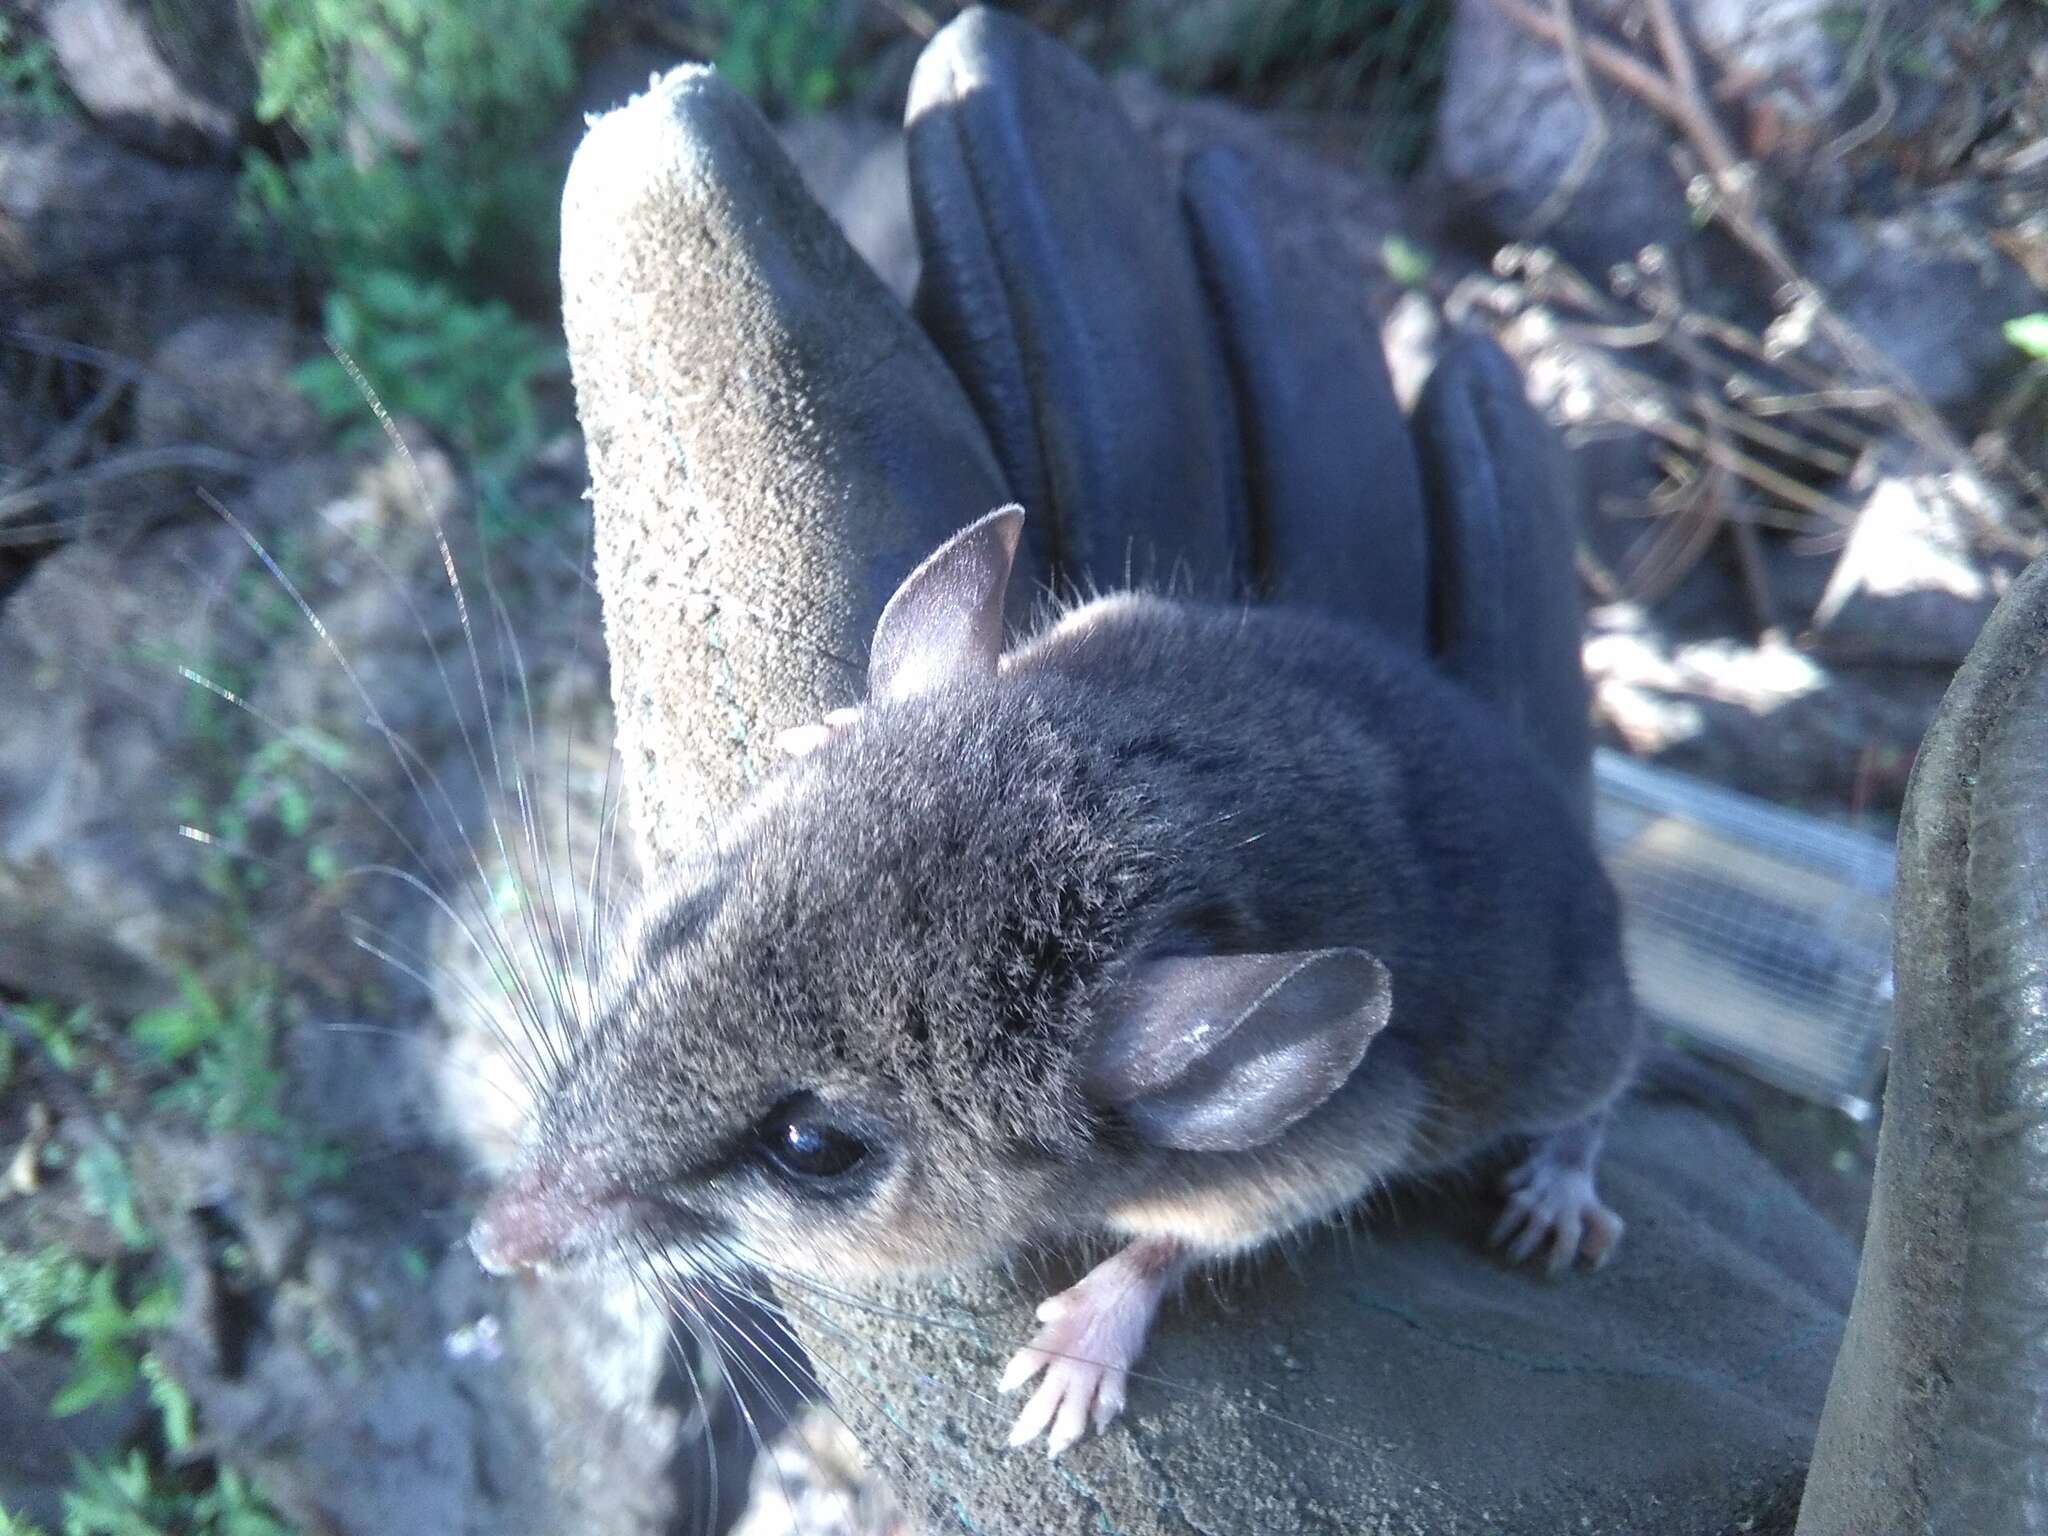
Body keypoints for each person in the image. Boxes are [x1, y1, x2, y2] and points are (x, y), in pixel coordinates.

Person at [560, 9, 2048, 1533]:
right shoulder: (1048, 699)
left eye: (818, 1149)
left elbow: (1352, 1131)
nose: (534, 1229)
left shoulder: (1206, 1081)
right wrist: (893, 752)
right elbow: (1125, 630)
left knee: (1584, 1049)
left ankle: (1588, 1139)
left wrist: (1137, 1276)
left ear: (1183, 1084)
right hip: (1324, 766)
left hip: (1510, 972)